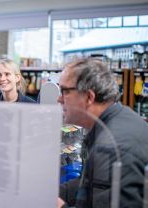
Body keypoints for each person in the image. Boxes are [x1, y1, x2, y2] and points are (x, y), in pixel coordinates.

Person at [56, 58, 148, 208]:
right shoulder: (117, 119)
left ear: (89, 97)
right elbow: (89, 184)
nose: (59, 99)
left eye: (64, 92)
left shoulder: (111, 148)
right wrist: (51, 193)